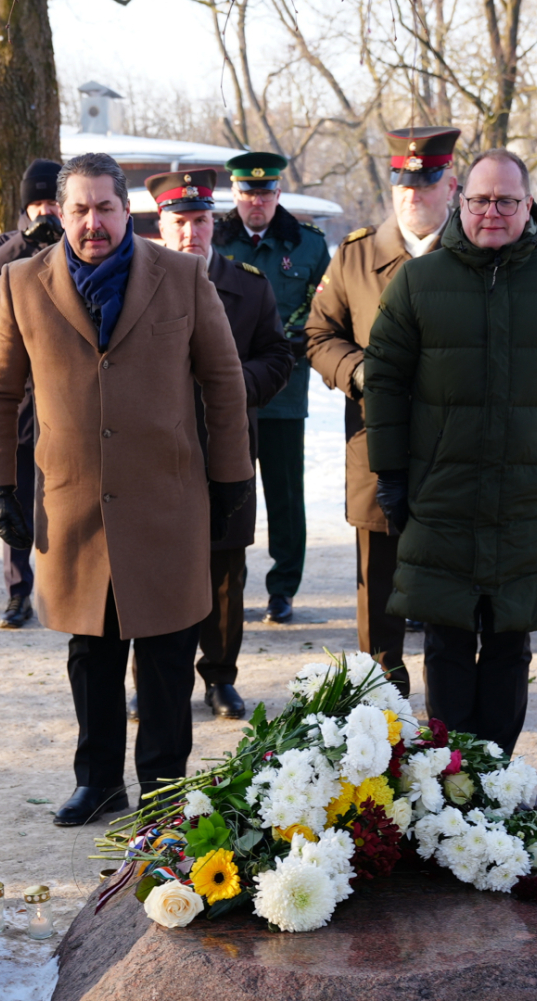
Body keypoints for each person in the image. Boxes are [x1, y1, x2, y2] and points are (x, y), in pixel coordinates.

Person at [0, 154, 253, 827]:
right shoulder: (20, 284)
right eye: (80, 209)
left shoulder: (182, 277)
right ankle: (97, 781)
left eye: (105, 207)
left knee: (164, 658)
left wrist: (234, 481)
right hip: (72, 506)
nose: (93, 222)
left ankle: (161, 792)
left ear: (130, 212)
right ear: (59, 213)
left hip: (167, 502)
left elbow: (222, 382)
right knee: (90, 654)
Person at [364, 149, 537, 756]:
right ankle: (452, 776)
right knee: (447, 642)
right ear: (461, 201)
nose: (492, 212)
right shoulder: (420, 281)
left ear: (527, 205)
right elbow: (385, 381)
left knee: (510, 643)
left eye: (507, 200)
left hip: (527, 499)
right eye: (480, 200)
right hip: (443, 495)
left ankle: (498, 775)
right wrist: (391, 474)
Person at [306, 126, 462, 695]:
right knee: (378, 587)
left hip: (456, 450)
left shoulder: (476, 251)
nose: (412, 195)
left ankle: (450, 709)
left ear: (451, 184)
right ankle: (382, 703)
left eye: (426, 184)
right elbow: (319, 334)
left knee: (450, 584)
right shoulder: (355, 255)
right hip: (376, 447)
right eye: (403, 183)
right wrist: (360, 371)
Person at [145, 169, 294, 720]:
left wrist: (231, 388)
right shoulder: (138, 284)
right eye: (180, 222)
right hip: (157, 452)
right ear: (161, 226)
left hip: (227, 446)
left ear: (214, 224)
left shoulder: (249, 286)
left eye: (202, 221)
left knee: (226, 569)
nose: (192, 233)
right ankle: (158, 679)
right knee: (155, 567)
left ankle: (220, 678)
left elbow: (278, 357)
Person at [214, 151, 330, 624]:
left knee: (284, 494)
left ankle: (283, 587)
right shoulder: (214, 239)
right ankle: (221, 586)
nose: (255, 201)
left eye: (264, 192)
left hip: (283, 393)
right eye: (247, 192)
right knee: (224, 489)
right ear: (235, 194)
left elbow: (323, 311)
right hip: (222, 397)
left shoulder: (306, 246)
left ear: (278, 194)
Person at [0, 158, 64, 629]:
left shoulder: (82, 242)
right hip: (23, 400)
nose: (47, 210)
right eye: (38, 202)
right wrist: (27, 242)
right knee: (18, 496)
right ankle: (17, 590)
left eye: (53, 201)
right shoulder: (8, 244)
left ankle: (60, 586)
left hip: (68, 396)